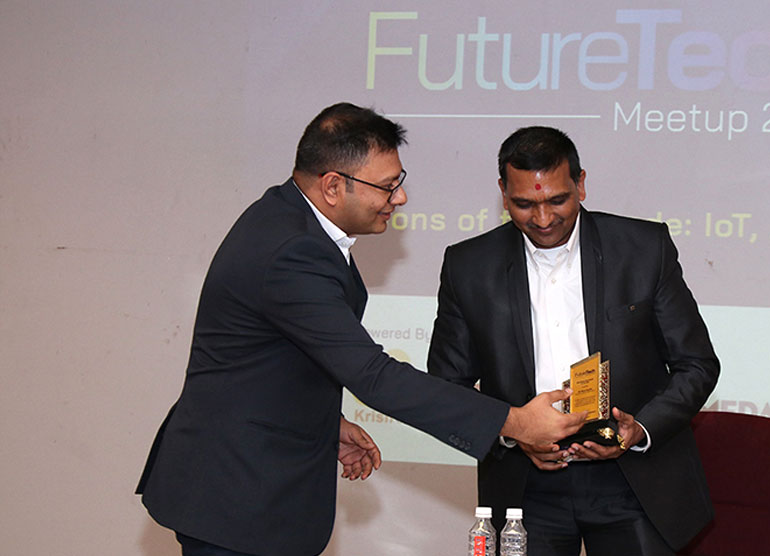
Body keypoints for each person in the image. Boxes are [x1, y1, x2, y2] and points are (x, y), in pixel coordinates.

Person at [136, 104, 586, 556]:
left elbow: (268, 356)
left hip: (242, 487)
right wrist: (515, 422)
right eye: (387, 186)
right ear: (333, 186)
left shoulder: (289, 219)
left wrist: (323, 421)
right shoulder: (293, 250)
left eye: (398, 181)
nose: (400, 197)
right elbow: (373, 375)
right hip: (234, 496)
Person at [427, 126, 720, 555]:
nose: (543, 219)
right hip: (524, 486)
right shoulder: (468, 265)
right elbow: (446, 385)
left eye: (557, 200)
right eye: (525, 204)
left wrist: (637, 429)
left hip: (632, 479)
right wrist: (514, 432)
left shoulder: (643, 247)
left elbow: (696, 364)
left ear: (581, 184)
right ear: (503, 194)